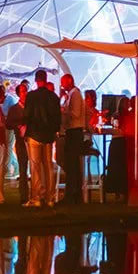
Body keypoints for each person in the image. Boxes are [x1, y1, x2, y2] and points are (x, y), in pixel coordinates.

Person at [23, 70, 62, 207]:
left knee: (35, 167)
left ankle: (36, 197)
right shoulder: (53, 97)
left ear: (36, 80)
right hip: (48, 136)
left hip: (34, 134)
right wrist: (54, 131)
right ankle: (50, 197)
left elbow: (26, 115)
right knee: (48, 166)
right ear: (46, 79)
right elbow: (58, 118)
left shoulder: (31, 96)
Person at [59, 73, 86, 204]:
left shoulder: (75, 94)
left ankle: (73, 193)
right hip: (72, 131)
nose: (62, 85)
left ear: (69, 81)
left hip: (74, 131)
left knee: (72, 163)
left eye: (63, 82)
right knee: (72, 164)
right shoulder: (72, 94)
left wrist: (63, 110)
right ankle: (75, 194)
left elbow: (75, 113)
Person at [5, 83, 28, 204]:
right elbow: (8, 124)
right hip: (20, 142)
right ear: (19, 94)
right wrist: (18, 125)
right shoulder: (14, 109)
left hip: (32, 140)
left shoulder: (31, 107)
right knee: (23, 168)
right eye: (23, 91)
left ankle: (36, 193)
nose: (25, 93)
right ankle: (24, 195)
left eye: (26, 90)